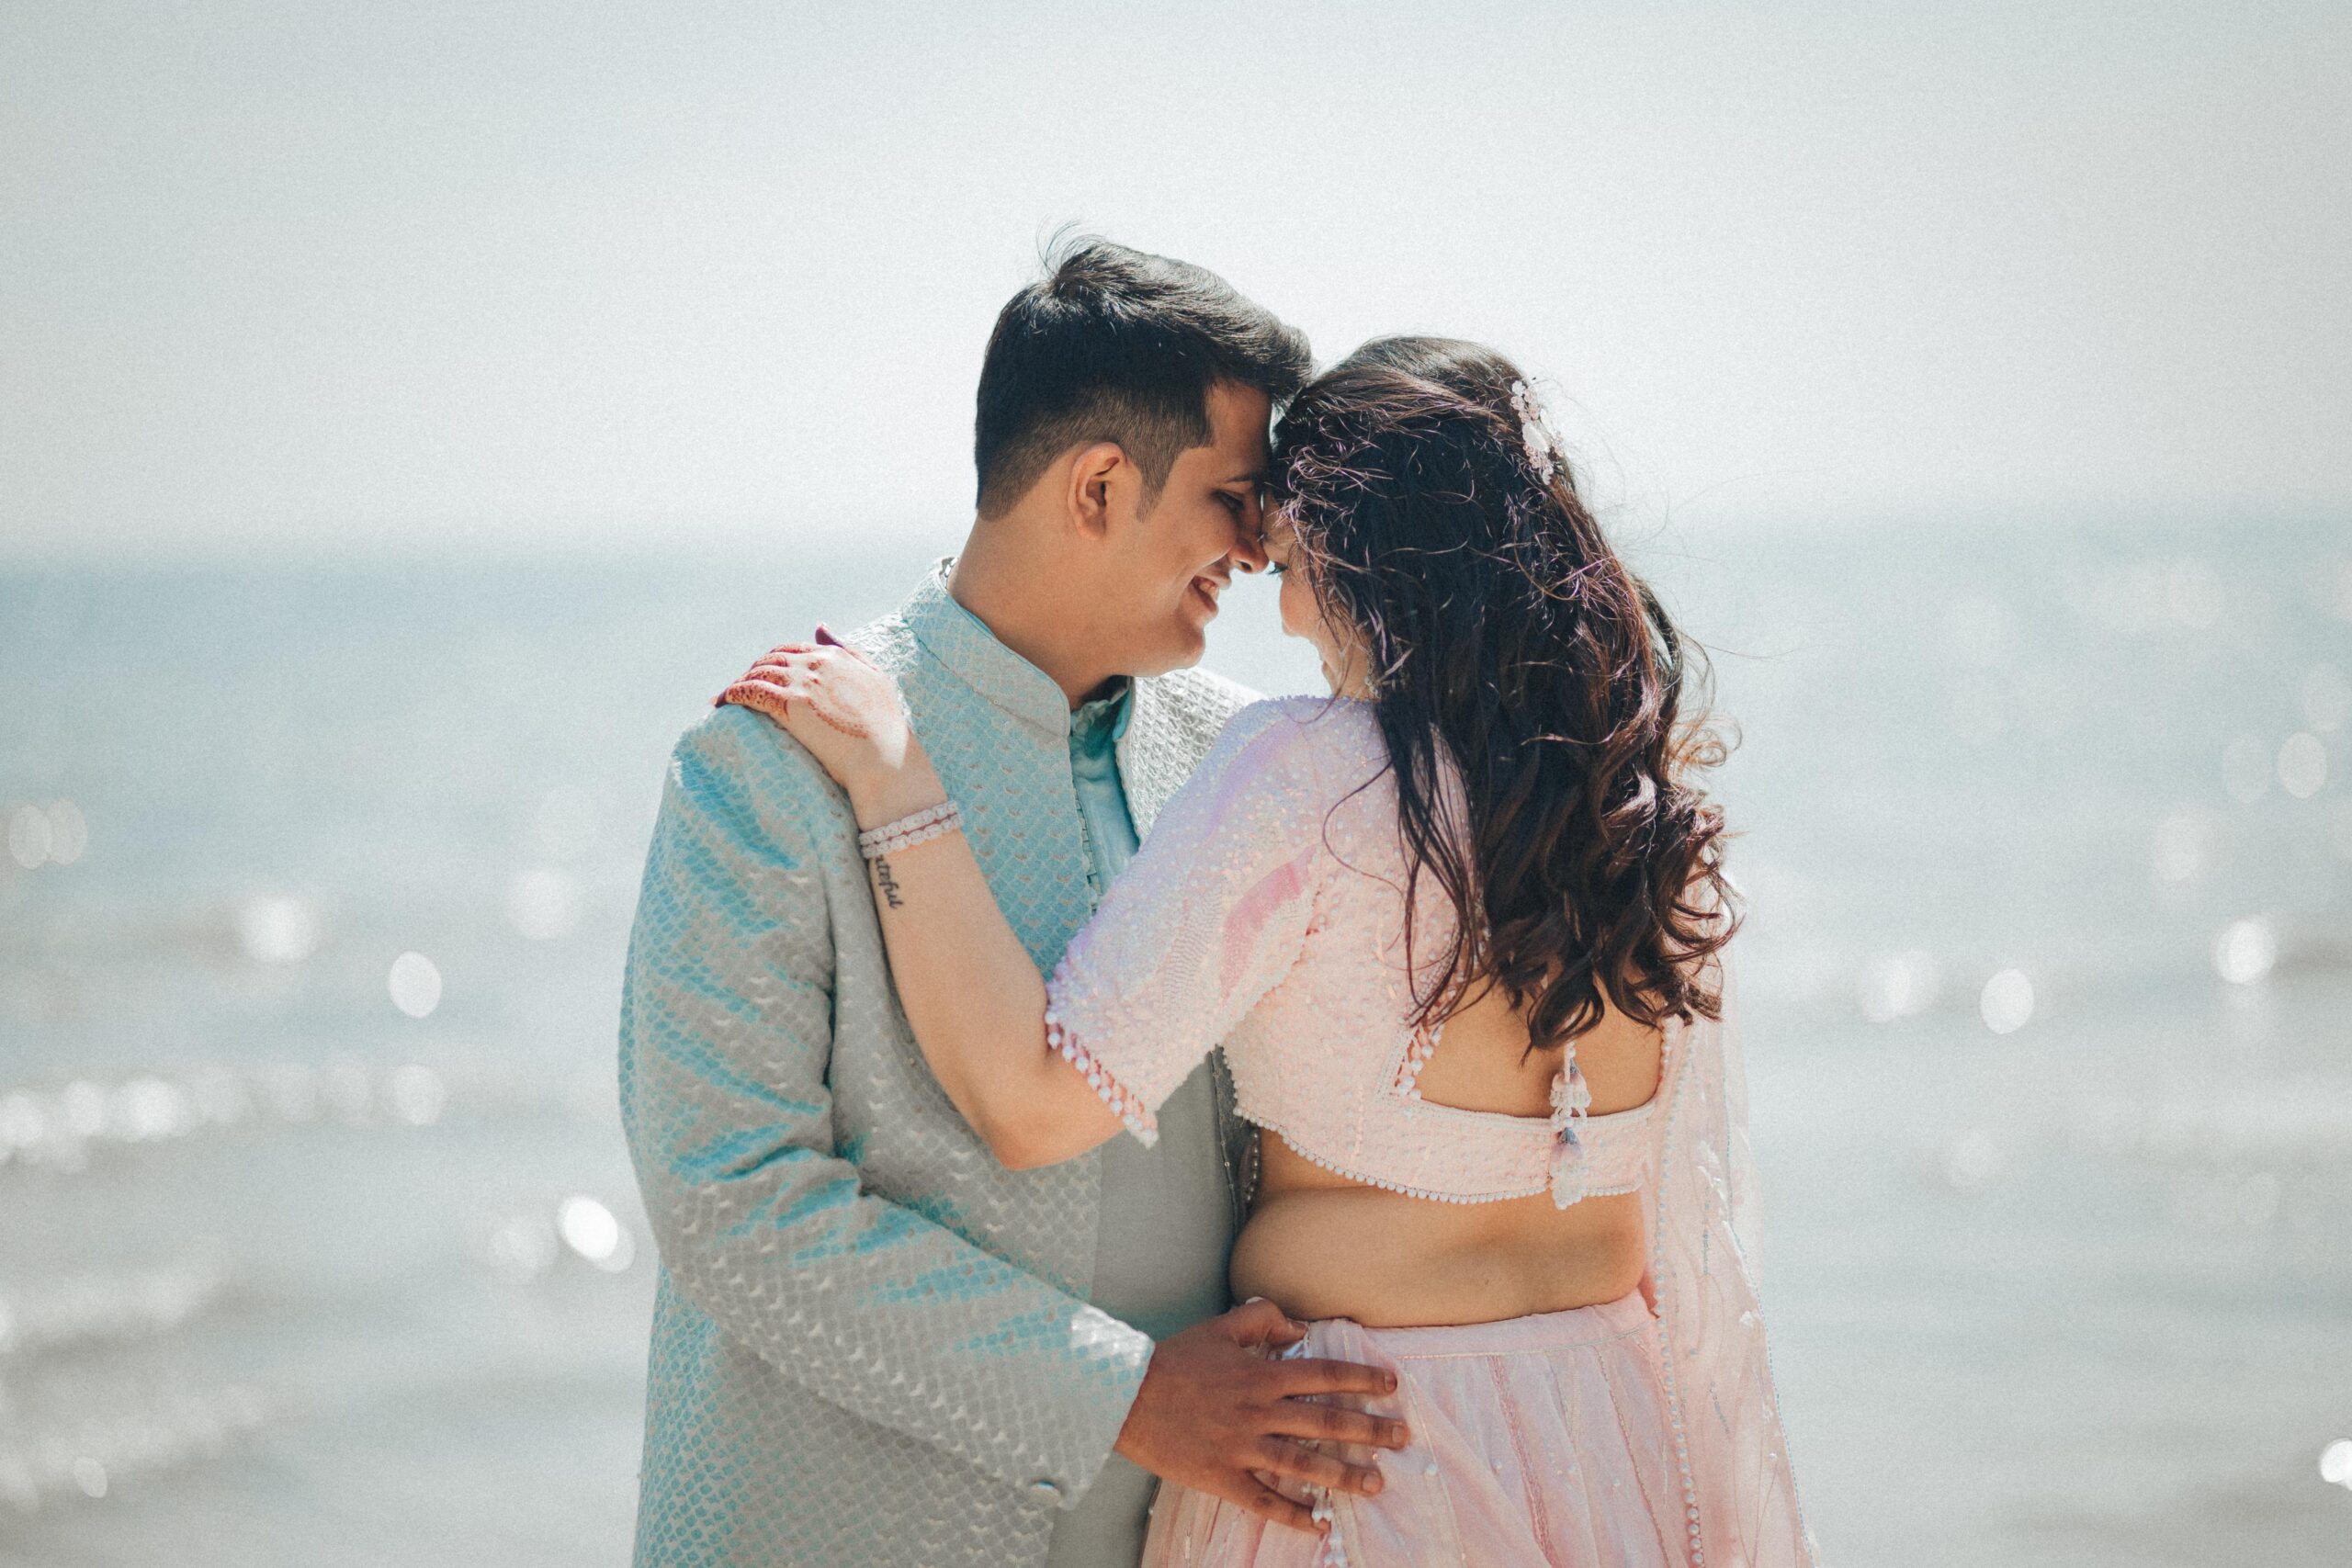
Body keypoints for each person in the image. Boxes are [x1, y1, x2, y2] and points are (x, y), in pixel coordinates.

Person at [721, 337, 1815, 1567]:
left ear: (1369, 556)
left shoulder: (1307, 777)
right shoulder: (1652, 829)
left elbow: (1029, 1105)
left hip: (1360, 1465)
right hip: (1611, 1453)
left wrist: (894, 780)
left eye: (1289, 563)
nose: (1283, 610)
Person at [618, 238, 1408, 1568]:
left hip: (1179, 1537)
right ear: (1099, 486)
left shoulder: (1252, 766)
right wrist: (1129, 1401)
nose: (1260, 544)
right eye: (1233, 496)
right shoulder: (767, 763)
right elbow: (732, 1207)